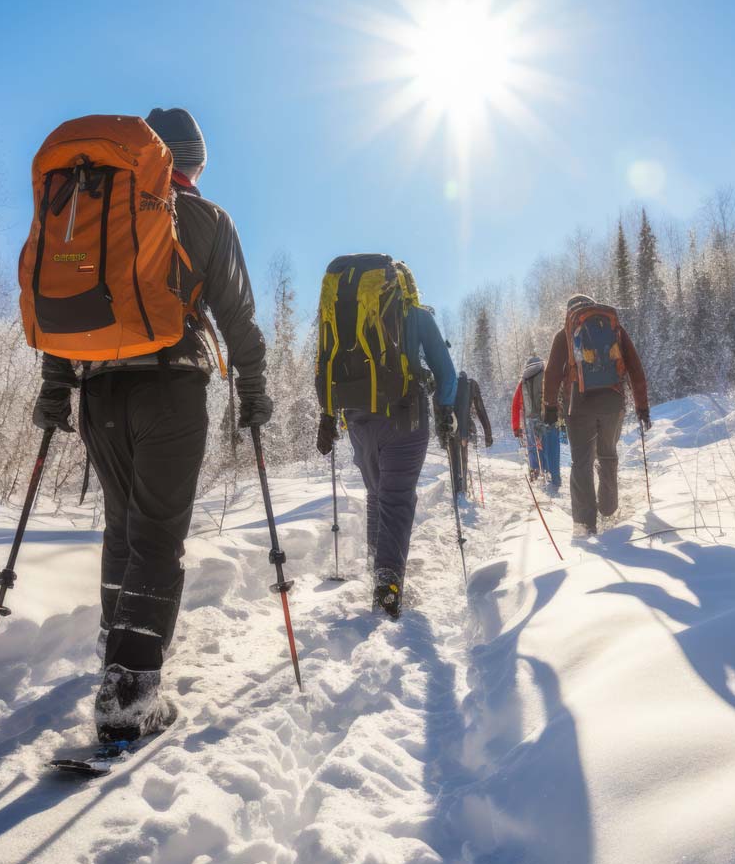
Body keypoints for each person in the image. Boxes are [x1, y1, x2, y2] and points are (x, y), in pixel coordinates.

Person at [30, 107, 270, 743]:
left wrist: (56, 389)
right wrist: (254, 388)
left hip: (99, 391)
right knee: (158, 537)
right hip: (171, 386)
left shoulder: (99, 205)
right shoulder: (205, 218)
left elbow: (71, 305)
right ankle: (129, 699)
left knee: (123, 526)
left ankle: (116, 659)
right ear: (192, 163)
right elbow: (237, 314)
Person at [316, 260, 455, 620]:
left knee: (377, 494)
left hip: (357, 416)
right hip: (405, 416)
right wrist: (445, 412)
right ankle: (387, 583)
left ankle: (375, 565)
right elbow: (446, 372)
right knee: (395, 497)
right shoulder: (416, 316)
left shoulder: (346, 319)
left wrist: (328, 415)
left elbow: (326, 361)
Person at [541, 294, 650, 534]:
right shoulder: (614, 328)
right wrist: (642, 406)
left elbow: (551, 374)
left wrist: (549, 407)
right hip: (613, 403)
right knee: (608, 456)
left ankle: (584, 525)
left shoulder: (565, 334)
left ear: (570, 314)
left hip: (579, 405)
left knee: (582, 462)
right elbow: (635, 368)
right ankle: (609, 513)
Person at [510, 354, 561, 491]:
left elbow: (515, 406)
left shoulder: (523, 381)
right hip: (549, 416)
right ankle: (554, 478)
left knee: (534, 447)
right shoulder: (547, 375)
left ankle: (536, 474)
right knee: (552, 447)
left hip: (531, 420)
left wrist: (516, 428)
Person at [450, 372, 493, 500]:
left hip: (450, 427)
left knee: (454, 459)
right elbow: (480, 410)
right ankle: (462, 490)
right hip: (464, 429)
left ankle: (458, 491)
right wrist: (488, 435)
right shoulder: (471, 385)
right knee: (463, 455)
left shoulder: (449, 382)